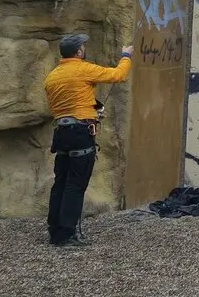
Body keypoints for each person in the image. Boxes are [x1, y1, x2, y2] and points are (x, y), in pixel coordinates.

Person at [43, 33, 132, 247]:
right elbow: (117, 75)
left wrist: (91, 110)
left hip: (61, 134)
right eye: (83, 46)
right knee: (76, 184)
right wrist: (126, 56)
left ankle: (55, 231)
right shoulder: (83, 68)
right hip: (80, 134)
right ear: (78, 52)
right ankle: (67, 234)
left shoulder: (51, 77)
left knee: (61, 183)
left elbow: (64, 106)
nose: (84, 49)